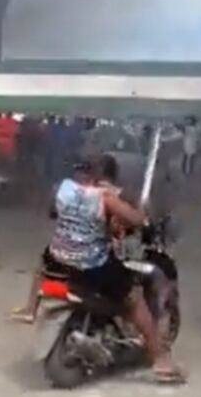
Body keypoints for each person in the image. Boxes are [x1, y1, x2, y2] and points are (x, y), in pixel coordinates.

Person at [43, 156, 183, 384]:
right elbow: (136, 220)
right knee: (134, 298)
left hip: (58, 259)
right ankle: (160, 361)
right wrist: (138, 213)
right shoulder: (105, 197)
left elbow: (52, 211)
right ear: (101, 176)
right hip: (90, 265)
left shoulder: (64, 189)